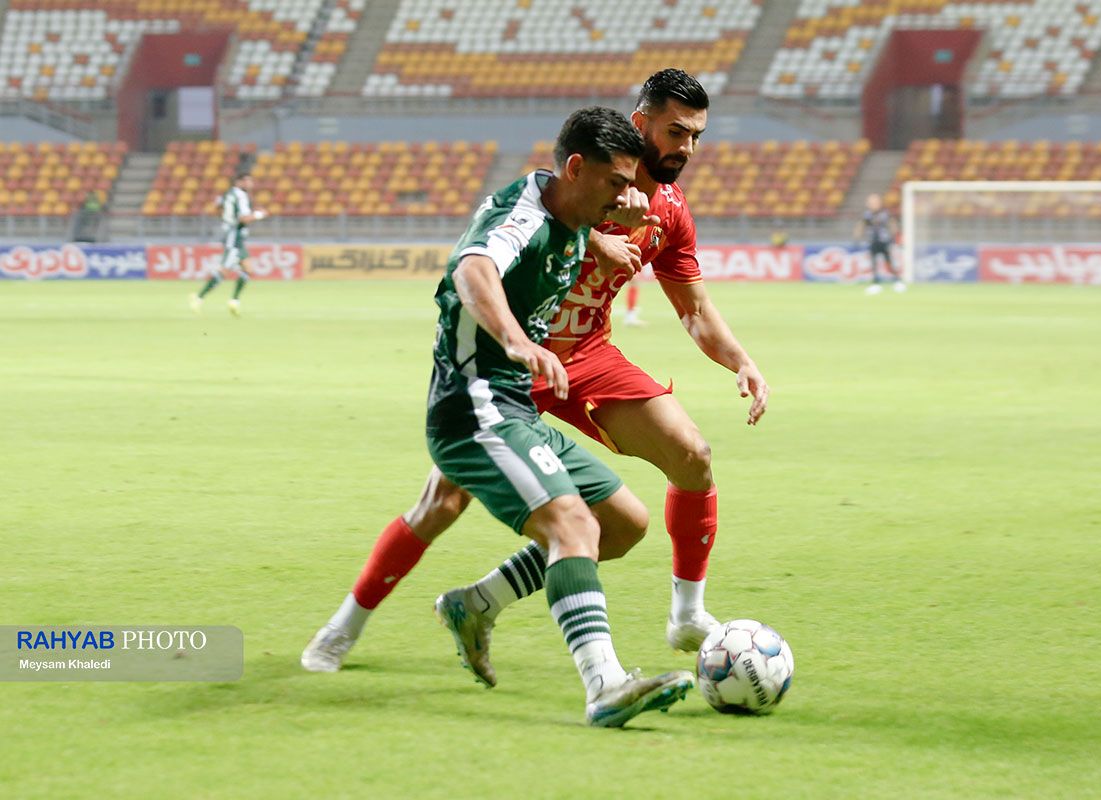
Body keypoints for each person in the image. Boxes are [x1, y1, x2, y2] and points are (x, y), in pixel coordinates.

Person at [302, 69, 770, 686]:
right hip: (507, 364)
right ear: (641, 124)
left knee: (691, 455)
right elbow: (526, 223)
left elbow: (695, 309)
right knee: (442, 503)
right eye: (676, 132)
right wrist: (595, 240)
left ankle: (684, 615)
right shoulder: (586, 180)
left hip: (585, 355)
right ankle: (343, 626)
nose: (686, 148)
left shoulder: (668, 212)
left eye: (696, 137)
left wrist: (740, 361)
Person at [190, 170, 267, 316]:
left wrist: (226, 219)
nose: (250, 184)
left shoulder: (228, 194)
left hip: (234, 235)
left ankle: (234, 301)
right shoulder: (240, 195)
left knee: (248, 270)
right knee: (224, 271)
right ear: (239, 182)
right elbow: (244, 219)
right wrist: (259, 214)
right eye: (247, 181)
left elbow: (216, 209)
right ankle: (199, 298)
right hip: (234, 236)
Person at [855, 193, 904, 294]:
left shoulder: (885, 213)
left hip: (884, 241)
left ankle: (897, 281)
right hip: (873, 241)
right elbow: (861, 225)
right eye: (871, 202)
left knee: (889, 262)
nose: (873, 204)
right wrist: (858, 236)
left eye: (875, 202)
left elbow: (893, 224)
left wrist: (895, 236)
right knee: (873, 263)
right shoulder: (867, 215)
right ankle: (875, 283)